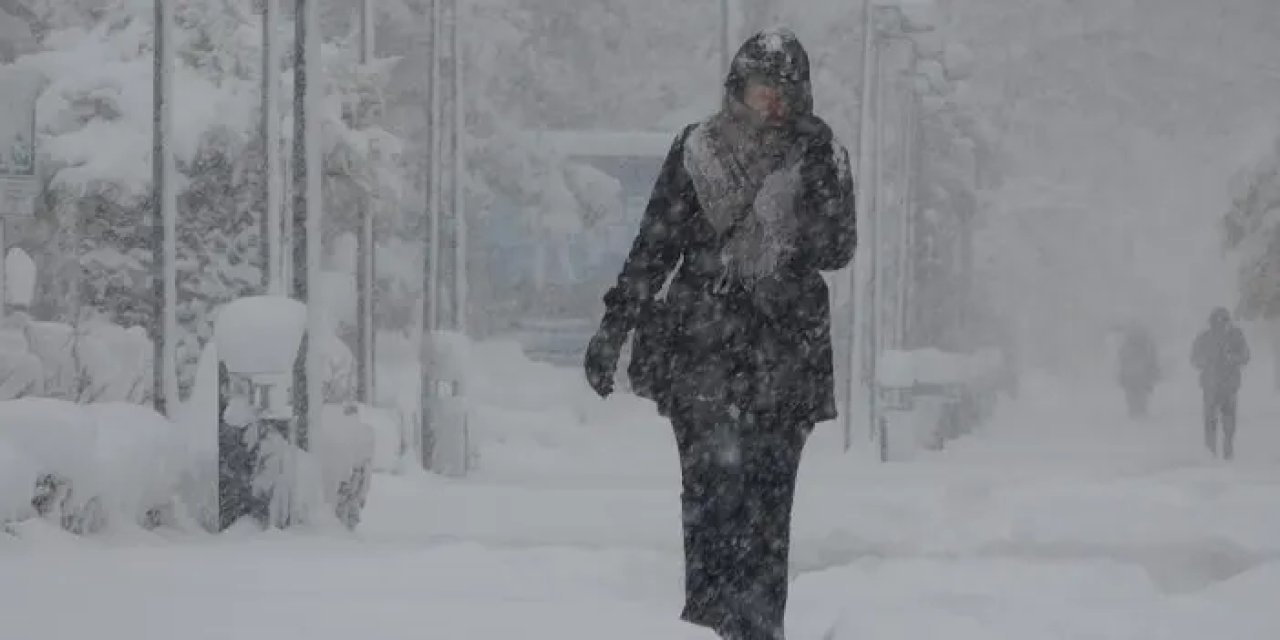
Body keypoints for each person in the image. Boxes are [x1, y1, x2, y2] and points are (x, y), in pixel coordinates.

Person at [582, 29, 856, 640]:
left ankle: (760, 630)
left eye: (786, 92)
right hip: (702, 352)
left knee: (766, 511)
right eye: (764, 89)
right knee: (709, 504)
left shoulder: (821, 155)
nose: (774, 104)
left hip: (786, 360)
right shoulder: (696, 149)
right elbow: (656, 244)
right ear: (739, 88)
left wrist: (814, 180)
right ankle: (707, 626)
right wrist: (614, 325)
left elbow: (838, 250)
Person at [1191, 307, 1250, 459]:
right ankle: (1210, 451)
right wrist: (1204, 361)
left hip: (1229, 385)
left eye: (1222, 321)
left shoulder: (1236, 336)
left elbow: (1245, 356)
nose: (1219, 324)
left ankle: (1228, 449)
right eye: (1216, 321)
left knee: (1229, 421)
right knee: (1210, 420)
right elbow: (1194, 358)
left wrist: (1232, 358)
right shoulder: (1204, 338)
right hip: (1210, 385)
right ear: (1211, 322)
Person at [1117, 324, 1159, 418]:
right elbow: (1152, 359)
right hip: (1141, 374)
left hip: (1131, 374)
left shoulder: (1126, 346)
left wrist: (1121, 375)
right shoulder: (1147, 345)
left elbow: (1122, 360)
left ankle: (1135, 411)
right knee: (1141, 394)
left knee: (1132, 394)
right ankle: (1140, 411)